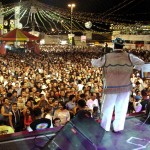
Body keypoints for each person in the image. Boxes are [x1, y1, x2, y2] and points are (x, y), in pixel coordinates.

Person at [91, 37, 145, 133]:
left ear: (114, 45)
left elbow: (95, 63)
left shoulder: (107, 56)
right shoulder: (129, 56)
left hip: (111, 87)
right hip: (125, 87)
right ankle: (118, 127)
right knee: (122, 108)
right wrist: (133, 68)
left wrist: (93, 59)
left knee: (107, 108)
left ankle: (105, 127)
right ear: (122, 46)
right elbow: (141, 63)